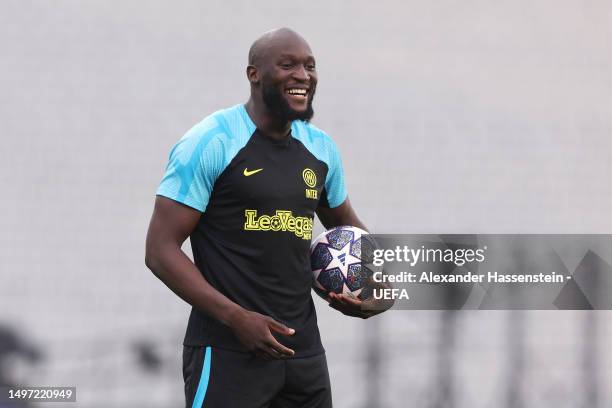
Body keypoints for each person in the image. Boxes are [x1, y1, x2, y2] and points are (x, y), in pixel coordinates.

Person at [145, 27, 390, 408]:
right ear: (253, 74)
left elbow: (348, 227)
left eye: (310, 66)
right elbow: (160, 251)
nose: (303, 75)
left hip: (303, 357)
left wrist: (380, 283)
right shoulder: (211, 142)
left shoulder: (320, 149)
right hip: (227, 352)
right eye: (288, 64)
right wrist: (237, 318)